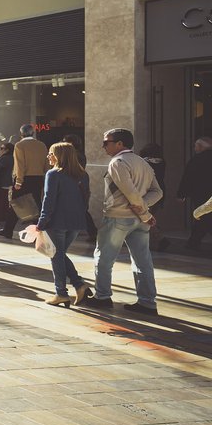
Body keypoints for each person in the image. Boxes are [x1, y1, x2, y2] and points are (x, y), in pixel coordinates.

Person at [90, 128, 163, 315]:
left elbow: (130, 193)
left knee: (104, 258)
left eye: (106, 142)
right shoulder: (143, 163)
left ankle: (102, 297)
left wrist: (143, 211)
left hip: (118, 218)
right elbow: (158, 192)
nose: (103, 146)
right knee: (142, 261)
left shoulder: (118, 162)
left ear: (120, 144)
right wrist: (144, 209)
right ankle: (147, 302)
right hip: (139, 221)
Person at [37, 142, 91, 307]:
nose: (48, 157)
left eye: (51, 153)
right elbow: (86, 199)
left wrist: (42, 221)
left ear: (59, 156)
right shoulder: (83, 174)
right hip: (76, 221)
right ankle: (79, 285)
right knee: (59, 254)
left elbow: (49, 200)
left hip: (57, 221)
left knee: (56, 256)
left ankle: (61, 293)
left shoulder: (53, 174)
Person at [0, 124, 48, 238]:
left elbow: (20, 165)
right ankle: (39, 232)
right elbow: (46, 163)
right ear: (33, 133)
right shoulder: (41, 145)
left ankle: (8, 230)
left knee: (16, 203)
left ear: (21, 134)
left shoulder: (19, 145)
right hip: (38, 178)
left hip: (24, 178)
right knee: (36, 204)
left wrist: (18, 182)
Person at [177, 137, 212, 252]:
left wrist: (181, 194)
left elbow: (188, 178)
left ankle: (193, 242)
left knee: (201, 217)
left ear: (201, 147)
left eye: (196, 146)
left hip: (200, 194)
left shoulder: (196, 160)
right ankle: (193, 242)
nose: (195, 148)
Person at [138, 143, 169, 252]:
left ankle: (160, 238)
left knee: (145, 217)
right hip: (160, 191)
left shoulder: (143, 162)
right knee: (147, 216)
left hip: (148, 191)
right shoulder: (162, 162)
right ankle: (158, 239)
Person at [0, 142, 15, 227]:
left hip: (1, 182)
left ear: (7, 150)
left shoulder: (5, 158)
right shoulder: (11, 158)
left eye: (2, 148)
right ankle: (3, 215)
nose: (0, 150)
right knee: (4, 200)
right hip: (7, 182)